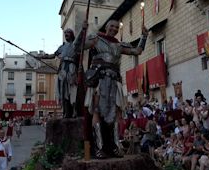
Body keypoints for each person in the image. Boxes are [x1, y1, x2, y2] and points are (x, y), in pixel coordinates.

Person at [80, 20, 148, 158]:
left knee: (117, 112)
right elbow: (80, 47)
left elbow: (137, 51)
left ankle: (116, 146)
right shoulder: (96, 39)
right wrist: (83, 31)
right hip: (99, 79)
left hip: (114, 80)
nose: (114, 29)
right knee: (96, 111)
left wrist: (144, 37)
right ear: (106, 27)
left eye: (117, 27)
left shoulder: (119, 44)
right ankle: (99, 148)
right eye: (112, 26)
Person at [54, 28, 80, 118]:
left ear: (72, 34)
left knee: (73, 90)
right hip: (63, 70)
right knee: (63, 91)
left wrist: (83, 29)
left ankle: (74, 111)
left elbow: (80, 38)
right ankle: (65, 112)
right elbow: (53, 55)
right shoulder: (62, 47)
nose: (66, 34)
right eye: (65, 33)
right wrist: (42, 56)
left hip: (72, 69)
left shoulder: (75, 45)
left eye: (68, 32)